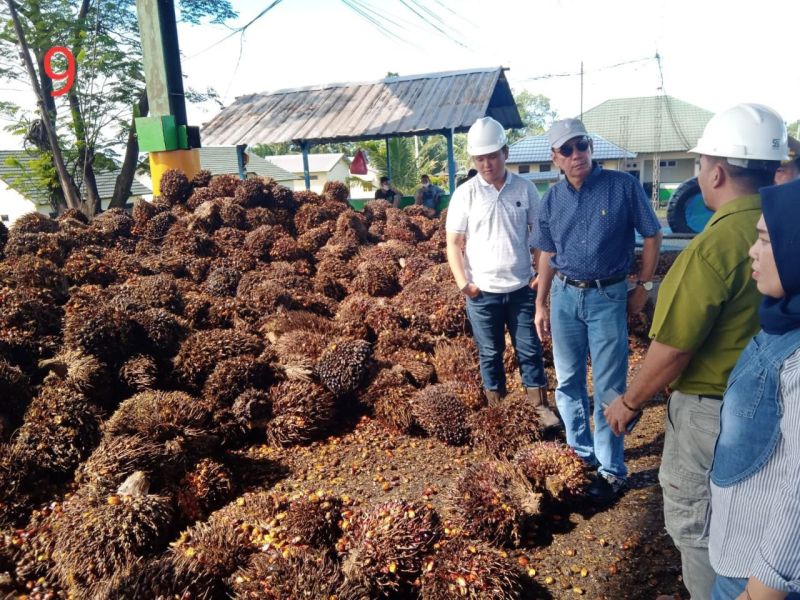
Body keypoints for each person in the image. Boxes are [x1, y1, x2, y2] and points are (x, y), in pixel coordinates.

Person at [603, 103, 789, 600]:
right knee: (754, 522)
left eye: (702, 164)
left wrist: (628, 402)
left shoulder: (716, 244)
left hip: (713, 414)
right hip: (775, 411)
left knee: (701, 528)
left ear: (718, 171)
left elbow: (673, 350)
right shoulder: (784, 227)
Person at [533, 118, 662, 504]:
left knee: (609, 386)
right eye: (568, 150)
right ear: (555, 157)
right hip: (565, 296)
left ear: (591, 147)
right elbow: (547, 255)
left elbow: (652, 234)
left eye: (582, 145)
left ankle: (611, 469)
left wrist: (644, 284)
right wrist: (540, 302)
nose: (578, 155)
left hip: (608, 296)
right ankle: (580, 454)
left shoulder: (622, 187)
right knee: (568, 382)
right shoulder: (552, 200)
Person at [707, 179, 800, 600]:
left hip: (759, 577)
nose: (751, 251)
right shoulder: (782, 317)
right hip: (741, 556)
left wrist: (764, 587)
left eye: (765, 239)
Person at [446, 116, 561, 431]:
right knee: (490, 352)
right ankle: (497, 411)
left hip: (521, 289)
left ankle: (539, 407)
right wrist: (464, 284)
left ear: (505, 153)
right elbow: (453, 243)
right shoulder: (465, 195)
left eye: (492, 156)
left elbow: (539, 235)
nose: (486, 164)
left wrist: (539, 275)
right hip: (482, 293)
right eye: (480, 158)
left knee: (529, 348)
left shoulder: (525, 188)